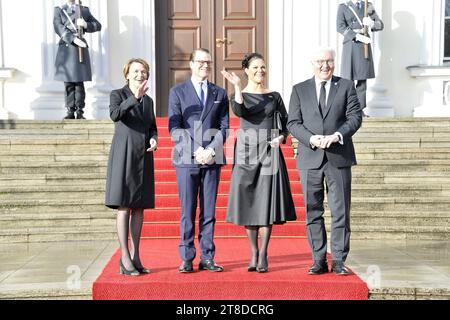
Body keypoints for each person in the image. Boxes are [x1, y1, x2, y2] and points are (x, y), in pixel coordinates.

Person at [287, 48, 362, 276]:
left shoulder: (347, 86)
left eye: (329, 61)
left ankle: (338, 260)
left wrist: (337, 135)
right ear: (313, 63)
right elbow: (292, 123)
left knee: (340, 211)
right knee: (313, 211)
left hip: (338, 157)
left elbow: (355, 117)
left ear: (334, 62)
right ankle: (318, 259)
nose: (325, 66)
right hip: (310, 158)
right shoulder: (299, 90)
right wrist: (311, 138)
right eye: (320, 61)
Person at [222, 53, 297, 273]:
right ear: (246, 70)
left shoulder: (274, 96)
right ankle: (253, 252)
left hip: (269, 151)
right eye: (255, 67)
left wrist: (281, 137)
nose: (260, 71)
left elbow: (287, 122)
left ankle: (263, 253)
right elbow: (239, 111)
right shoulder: (238, 95)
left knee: (265, 202)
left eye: (263, 67)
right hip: (245, 151)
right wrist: (237, 86)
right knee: (248, 201)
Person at [169, 49, 229, 273]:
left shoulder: (220, 93)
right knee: (188, 210)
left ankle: (207, 256)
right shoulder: (177, 92)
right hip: (187, 158)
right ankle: (186, 256)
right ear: (191, 64)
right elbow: (174, 127)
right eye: (201, 62)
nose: (205, 65)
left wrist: (211, 150)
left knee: (209, 211)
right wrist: (197, 151)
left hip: (212, 159)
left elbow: (225, 127)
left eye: (208, 62)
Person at [105, 58, 158, 276]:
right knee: (124, 205)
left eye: (144, 71)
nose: (140, 75)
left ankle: (136, 256)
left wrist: (154, 139)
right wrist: (134, 97)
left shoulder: (149, 101)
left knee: (139, 206)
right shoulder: (117, 94)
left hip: (143, 156)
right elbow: (115, 115)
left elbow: (152, 126)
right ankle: (124, 257)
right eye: (136, 71)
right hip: (124, 154)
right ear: (127, 74)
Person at [53, 0, 102, 120]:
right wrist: (72, 39)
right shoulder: (59, 10)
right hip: (67, 47)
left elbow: (97, 25)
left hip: (80, 47)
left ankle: (80, 110)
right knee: (68, 82)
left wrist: (86, 25)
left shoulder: (84, 10)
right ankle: (70, 110)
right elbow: (58, 26)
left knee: (79, 82)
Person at [337, 0, 384, 116]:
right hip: (351, 45)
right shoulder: (343, 6)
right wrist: (356, 36)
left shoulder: (368, 5)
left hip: (364, 45)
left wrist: (372, 24)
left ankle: (359, 110)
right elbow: (340, 27)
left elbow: (380, 25)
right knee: (348, 80)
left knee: (362, 80)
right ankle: (348, 110)